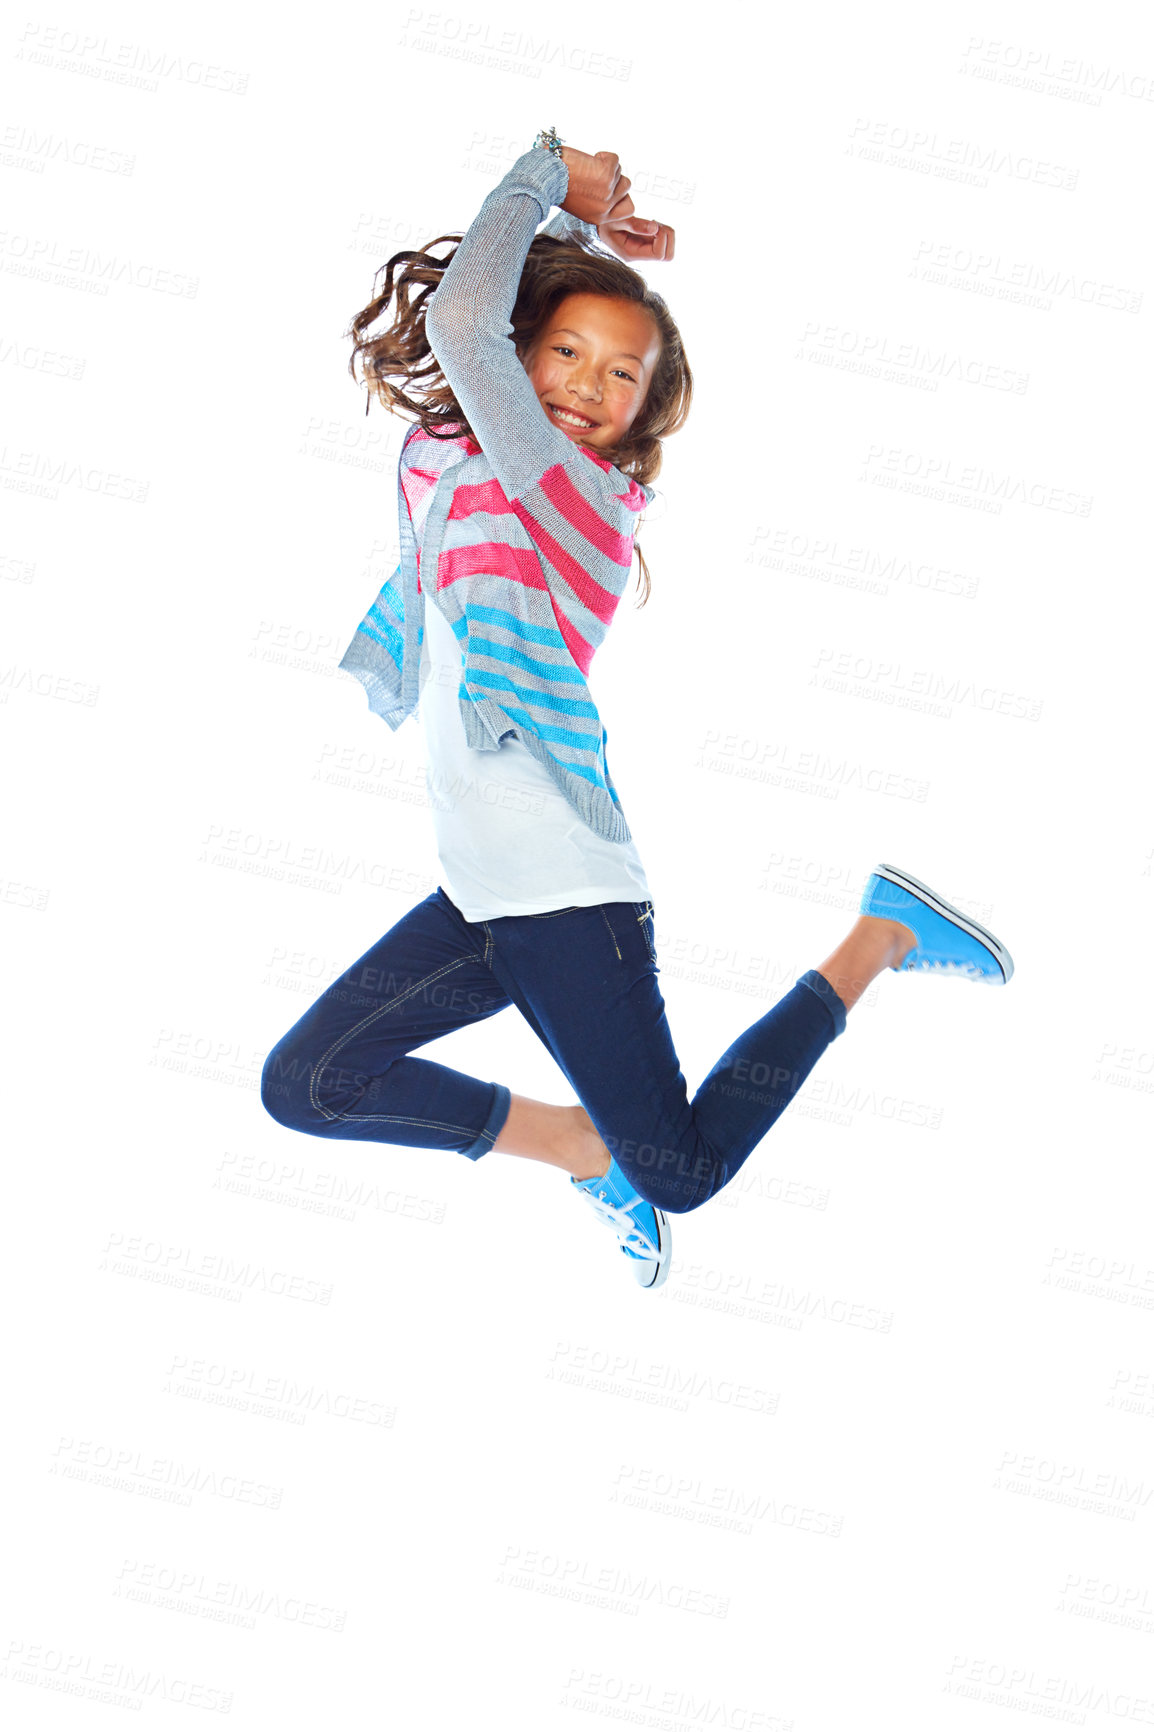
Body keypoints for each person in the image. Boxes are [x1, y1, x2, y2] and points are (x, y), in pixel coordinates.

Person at [260, 129, 1014, 1291]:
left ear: (643, 412)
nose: (587, 384)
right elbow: (489, 323)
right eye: (565, 352)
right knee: (308, 1084)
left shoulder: (569, 493)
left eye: (623, 374)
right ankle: (571, 1145)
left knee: (684, 1171)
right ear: (525, 355)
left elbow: (471, 324)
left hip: (567, 900)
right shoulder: (456, 456)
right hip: (483, 896)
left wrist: (548, 176)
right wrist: (572, 237)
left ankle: (879, 935)